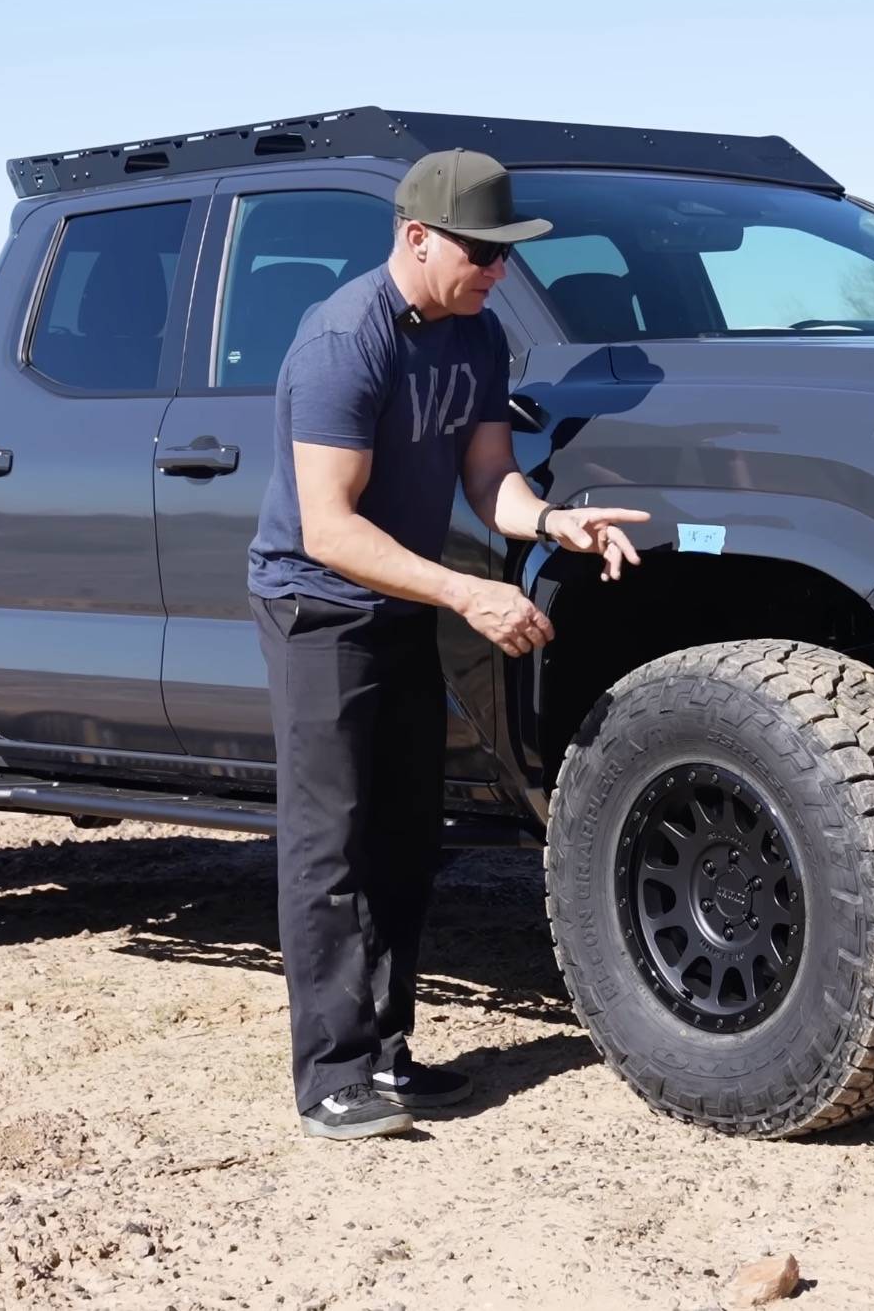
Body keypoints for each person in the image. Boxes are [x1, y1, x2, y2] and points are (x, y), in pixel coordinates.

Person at [247, 149, 651, 1140]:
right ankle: (330, 1074)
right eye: (481, 253)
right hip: (319, 608)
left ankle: (386, 1059)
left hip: (402, 601)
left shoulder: (475, 337)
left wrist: (554, 524)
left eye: (506, 256)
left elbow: (489, 481)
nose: (495, 272)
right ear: (416, 236)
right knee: (330, 840)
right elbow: (329, 527)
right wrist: (466, 594)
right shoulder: (344, 339)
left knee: (403, 837)